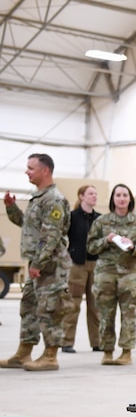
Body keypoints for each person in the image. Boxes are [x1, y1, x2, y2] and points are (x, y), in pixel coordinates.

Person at [0, 153, 71, 371]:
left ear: (45, 170)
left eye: (31, 168)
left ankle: (50, 356)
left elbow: (50, 236)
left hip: (50, 265)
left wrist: (38, 264)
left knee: (50, 309)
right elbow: (28, 226)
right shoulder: (39, 197)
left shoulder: (53, 199)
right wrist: (11, 207)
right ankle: (24, 353)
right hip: (37, 263)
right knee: (29, 307)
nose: (26, 171)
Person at [87, 184, 136, 366]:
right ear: (113, 199)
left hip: (129, 275)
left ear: (130, 199)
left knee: (128, 314)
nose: (121, 198)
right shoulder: (101, 222)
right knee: (106, 314)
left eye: (125, 195)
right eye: (118, 195)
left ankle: (126, 352)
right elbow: (91, 247)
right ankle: (107, 351)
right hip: (105, 274)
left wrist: (133, 247)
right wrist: (106, 240)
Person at [61, 185, 102, 353]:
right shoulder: (72, 217)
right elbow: (62, 237)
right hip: (77, 265)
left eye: (95, 193)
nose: (94, 196)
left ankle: (97, 342)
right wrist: (67, 256)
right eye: (91, 193)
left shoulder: (100, 219)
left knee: (95, 306)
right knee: (73, 304)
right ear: (81, 196)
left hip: (96, 265)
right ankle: (67, 342)